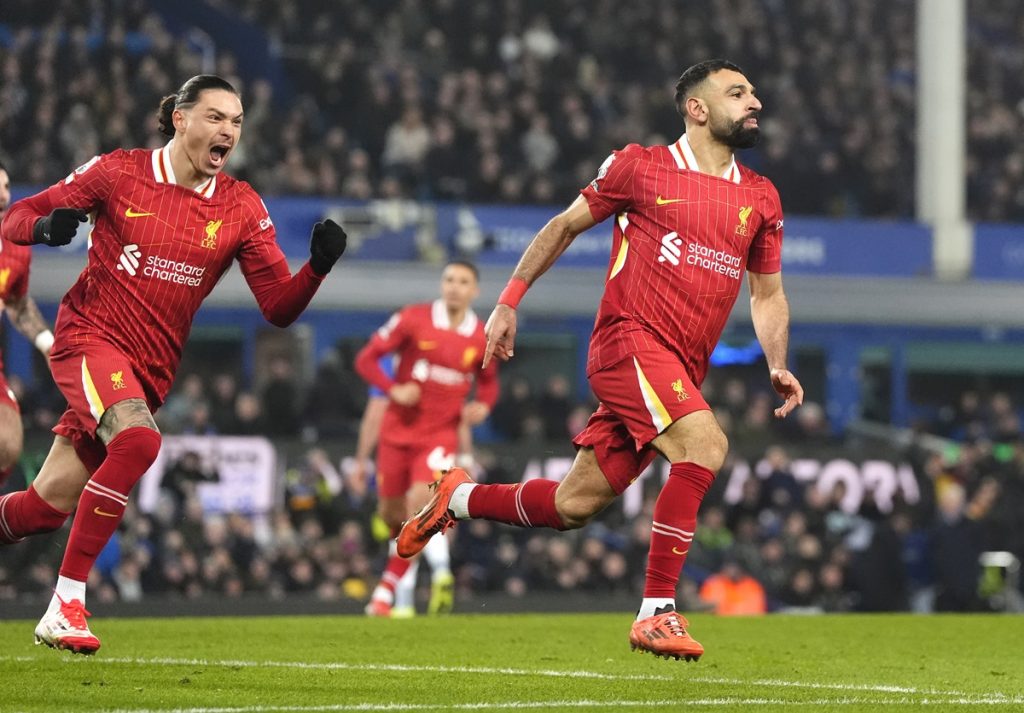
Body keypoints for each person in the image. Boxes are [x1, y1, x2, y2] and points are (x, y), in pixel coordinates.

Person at [398, 59, 803, 661]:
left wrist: (776, 361)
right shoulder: (641, 167)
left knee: (573, 506)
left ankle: (456, 498)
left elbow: (766, 293)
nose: (756, 101)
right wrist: (509, 300)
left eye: (754, 91)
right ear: (696, 108)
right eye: (738, 92)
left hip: (678, 370)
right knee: (706, 445)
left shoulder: (761, 198)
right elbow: (563, 226)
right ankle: (656, 612)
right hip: (628, 344)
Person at [0, 75, 347, 654]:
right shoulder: (118, 171)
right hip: (89, 338)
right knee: (137, 443)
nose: (228, 132)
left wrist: (316, 268)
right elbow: (16, 217)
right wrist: (43, 227)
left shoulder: (240, 205)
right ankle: (66, 604)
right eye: (216, 117)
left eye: (236, 121)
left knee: (42, 509)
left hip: (147, 374)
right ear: (180, 118)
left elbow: (278, 309)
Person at [356, 261, 497, 618]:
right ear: (442, 283)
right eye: (449, 279)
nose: (454, 286)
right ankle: (404, 578)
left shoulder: (481, 335)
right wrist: (393, 389)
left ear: (474, 291)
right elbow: (366, 359)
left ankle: (385, 593)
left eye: (463, 281)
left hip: (439, 436)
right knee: (391, 515)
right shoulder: (412, 319)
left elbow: (490, 380)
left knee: (419, 507)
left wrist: (484, 405)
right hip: (396, 433)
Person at [0, 160, 56, 488]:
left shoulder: (16, 248)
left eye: (6, 186)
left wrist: (48, 343)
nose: (3, 194)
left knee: (8, 444)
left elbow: (18, 305)